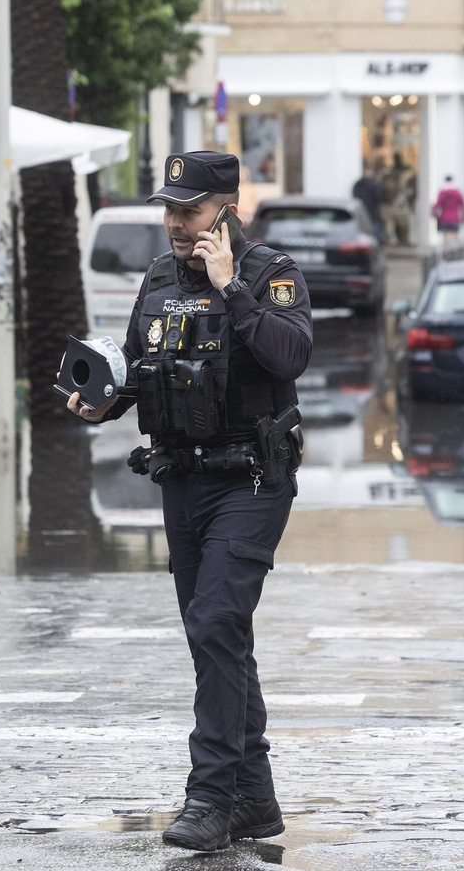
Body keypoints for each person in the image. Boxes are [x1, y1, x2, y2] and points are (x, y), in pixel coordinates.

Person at [65, 151, 311, 853]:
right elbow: (149, 371)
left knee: (215, 622)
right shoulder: (158, 277)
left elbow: (290, 356)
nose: (176, 222)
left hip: (252, 479)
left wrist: (234, 290)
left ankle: (209, 798)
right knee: (219, 636)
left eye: (191, 209)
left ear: (225, 209)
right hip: (182, 478)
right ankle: (256, 802)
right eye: (169, 209)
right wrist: (104, 403)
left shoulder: (270, 274)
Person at [351, 164, 385, 244]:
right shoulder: (374, 184)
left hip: (363, 214)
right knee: (374, 239)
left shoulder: (358, 184)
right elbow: (379, 198)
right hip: (372, 215)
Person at [431, 175, 464, 244]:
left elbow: (437, 205)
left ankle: (448, 253)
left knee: (446, 237)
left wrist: (433, 213)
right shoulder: (457, 192)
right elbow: (463, 206)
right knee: (456, 236)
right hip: (455, 217)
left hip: (444, 217)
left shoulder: (442, 192)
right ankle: (455, 253)